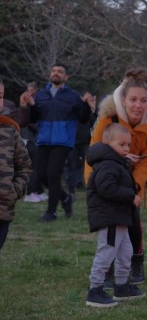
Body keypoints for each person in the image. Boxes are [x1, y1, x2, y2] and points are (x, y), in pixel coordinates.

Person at [85, 68, 147, 285]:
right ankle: (107, 268)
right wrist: (96, 185)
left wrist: (134, 187)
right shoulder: (109, 117)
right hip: (106, 178)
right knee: (110, 223)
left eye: (143, 100)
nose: (138, 105)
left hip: (132, 181)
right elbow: (95, 152)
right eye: (133, 99)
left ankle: (136, 261)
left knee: (133, 222)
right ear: (123, 100)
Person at [19, 63, 95, 222]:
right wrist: (30, 106)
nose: (56, 73)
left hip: (63, 141)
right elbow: (33, 119)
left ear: (66, 77)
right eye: (54, 71)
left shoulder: (73, 96)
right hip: (44, 140)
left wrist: (87, 106)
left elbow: (82, 118)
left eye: (60, 72)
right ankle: (65, 198)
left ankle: (51, 212)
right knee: (42, 175)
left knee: (53, 174)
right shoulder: (41, 95)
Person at [85, 124, 145, 307]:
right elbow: (107, 188)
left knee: (125, 252)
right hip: (110, 217)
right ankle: (95, 290)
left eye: (128, 145)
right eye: (121, 144)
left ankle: (121, 286)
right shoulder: (108, 164)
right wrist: (131, 196)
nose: (126, 148)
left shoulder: (116, 163)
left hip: (119, 218)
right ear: (107, 142)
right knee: (106, 252)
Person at [0, 103, 32, 253]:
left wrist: (14, 191)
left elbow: (24, 166)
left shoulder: (10, 129)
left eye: (0, 96)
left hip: (3, 210)